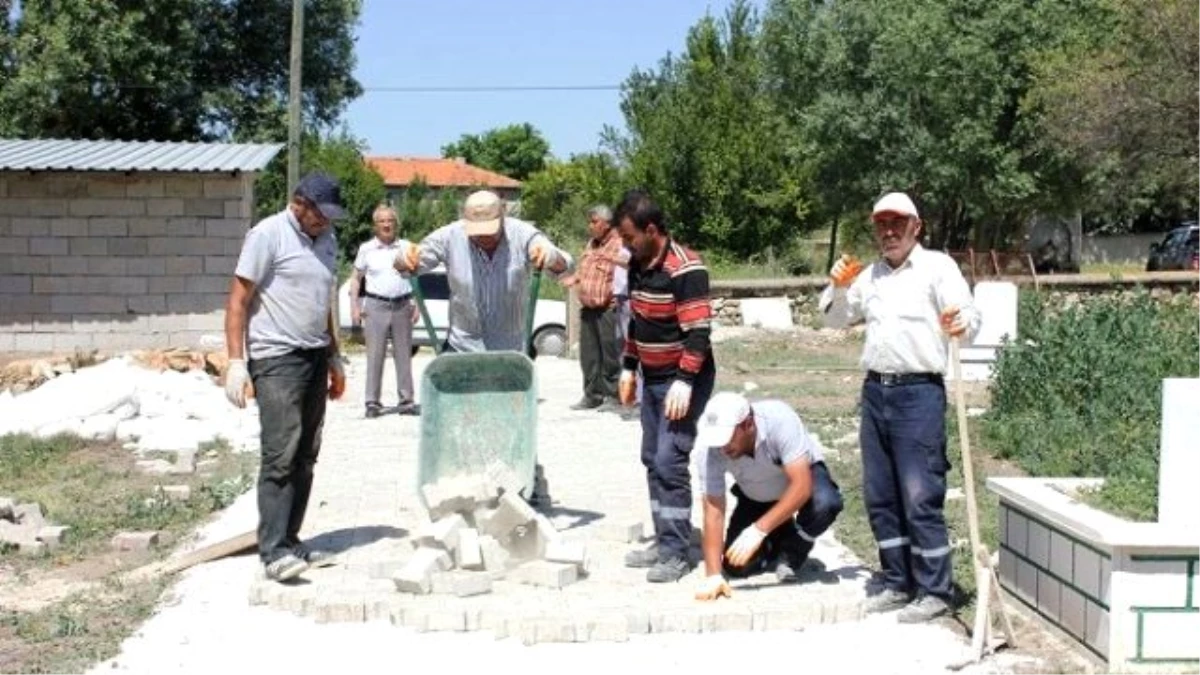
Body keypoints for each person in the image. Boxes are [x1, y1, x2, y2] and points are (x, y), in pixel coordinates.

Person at [819, 191, 980, 623]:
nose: (888, 232)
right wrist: (835, 286)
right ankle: (896, 580)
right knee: (880, 495)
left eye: (897, 224)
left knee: (920, 494)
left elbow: (969, 317)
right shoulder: (868, 276)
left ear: (916, 226)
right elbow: (834, 320)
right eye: (881, 225)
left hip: (919, 395)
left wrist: (962, 322)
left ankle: (934, 590)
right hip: (876, 394)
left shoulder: (937, 268)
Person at [223, 172, 349, 583]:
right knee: (281, 452)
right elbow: (239, 299)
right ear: (300, 203)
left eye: (330, 217)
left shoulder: (326, 241)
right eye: (320, 215)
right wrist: (236, 362)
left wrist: (334, 357)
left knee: (306, 454)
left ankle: (291, 540)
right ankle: (273, 551)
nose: (325, 223)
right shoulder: (267, 235)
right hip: (276, 358)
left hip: (314, 355)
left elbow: (323, 302)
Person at [614, 189, 716, 583]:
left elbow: (698, 333)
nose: (624, 245)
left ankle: (676, 554)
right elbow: (638, 322)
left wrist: (685, 381)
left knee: (670, 461)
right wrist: (628, 367)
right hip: (651, 379)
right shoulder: (639, 264)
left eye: (628, 237)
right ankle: (663, 538)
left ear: (651, 229)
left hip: (682, 381)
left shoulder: (686, 268)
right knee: (650, 459)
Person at [691, 392, 844, 601]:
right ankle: (779, 535)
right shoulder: (709, 448)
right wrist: (713, 575)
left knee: (826, 503)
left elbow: (801, 485)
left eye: (726, 438)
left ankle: (792, 553)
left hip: (798, 483)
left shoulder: (779, 420)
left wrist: (758, 530)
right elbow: (713, 510)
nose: (722, 447)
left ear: (748, 424)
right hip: (756, 495)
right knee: (736, 567)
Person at [393, 189, 573, 355]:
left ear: (503, 215)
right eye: (477, 231)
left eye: (490, 230)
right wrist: (404, 259)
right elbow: (410, 261)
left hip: (511, 350)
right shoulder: (449, 236)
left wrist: (550, 256)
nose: (484, 237)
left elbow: (565, 265)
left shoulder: (523, 234)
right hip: (462, 347)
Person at [349, 204, 419, 418]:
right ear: (375, 225)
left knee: (404, 354)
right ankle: (372, 402)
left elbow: (415, 275)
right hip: (376, 305)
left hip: (402, 304)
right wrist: (355, 305)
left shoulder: (406, 247)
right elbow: (356, 278)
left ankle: (406, 401)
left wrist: (415, 303)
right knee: (375, 355)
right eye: (382, 221)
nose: (387, 225)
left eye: (390, 221)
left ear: (396, 223)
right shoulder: (366, 249)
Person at [562, 205, 628, 412]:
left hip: (608, 308)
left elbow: (631, 267)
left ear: (607, 224)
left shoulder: (619, 244)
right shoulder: (592, 244)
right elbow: (585, 269)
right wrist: (575, 278)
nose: (590, 226)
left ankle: (613, 397)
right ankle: (592, 395)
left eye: (594, 222)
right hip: (588, 309)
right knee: (589, 356)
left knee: (610, 355)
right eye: (590, 222)